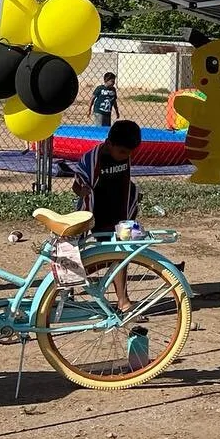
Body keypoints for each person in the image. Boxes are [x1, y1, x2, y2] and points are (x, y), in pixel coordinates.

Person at [72, 118, 142, 310]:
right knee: (106, 255)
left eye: (129, 153)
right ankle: (71, 282)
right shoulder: (92, 158)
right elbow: (76, 185)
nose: (125, 156)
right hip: (97, 213)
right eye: (122, 152)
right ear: (109, 143)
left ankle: (123, 300)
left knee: (123, 252)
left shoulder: (124, 154)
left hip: (120, 212)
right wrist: (83, 191)